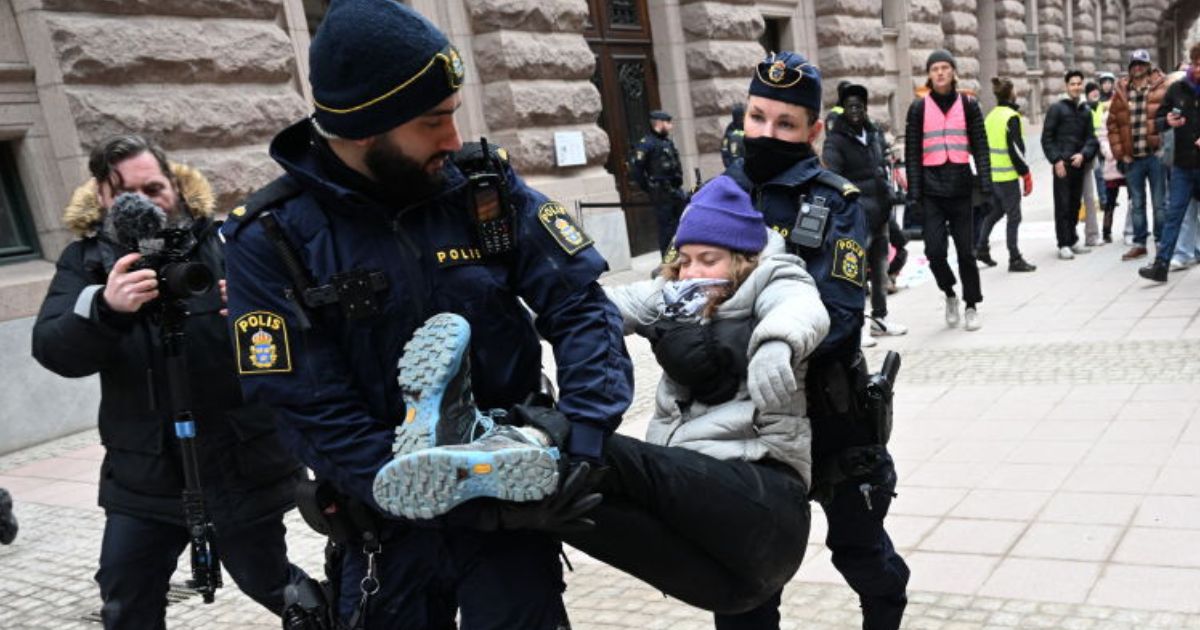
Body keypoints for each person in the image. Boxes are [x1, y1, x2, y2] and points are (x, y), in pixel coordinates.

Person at [219, 1, 634, 627]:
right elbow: (309, 407)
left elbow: (579, 307)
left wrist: (583, 439)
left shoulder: (482, 189)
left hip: (514, 504)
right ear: (365, 126)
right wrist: (447, 495)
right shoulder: (272, 239)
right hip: (389, 525)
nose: (454, 138)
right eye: (431, 121)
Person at [30, 134, 306, 629]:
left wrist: (262, 311)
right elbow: (53, 350)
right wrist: (106, 309)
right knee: (125, 597)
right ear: (102, 197)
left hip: (237, 462)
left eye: (154, 188)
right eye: (126, 193)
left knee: (273, 583)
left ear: (175, 185)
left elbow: (303, 334)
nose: (144, 203)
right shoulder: (87, 262)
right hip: (146, 472)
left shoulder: (227, 241)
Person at [727, 50, 910, 630]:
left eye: (784, 123)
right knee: (744, 577)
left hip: (827, 411)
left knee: (860, 551)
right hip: (742, 414)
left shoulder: (835, 202)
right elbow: (680, 291)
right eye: (757, 117)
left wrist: (741, 337)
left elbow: (840, 312)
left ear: (814, 131)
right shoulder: (718, 196)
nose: (766, 133)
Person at [905, 49, 992, 332]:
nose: (940, 73)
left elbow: (980, 146)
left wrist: (987, 187)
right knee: (934, 252)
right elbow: (913, 154)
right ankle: (950, 294)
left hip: (961, 187)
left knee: (966, 252)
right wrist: (914, 195)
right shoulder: (918, 108)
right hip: (931, 190)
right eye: (934, 69)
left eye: (945, 67)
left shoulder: (969, 105)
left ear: (953, 72)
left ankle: (971, 305)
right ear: (929, 75)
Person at [821, 82, 909, 339]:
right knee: (856, 275)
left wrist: (889, 193)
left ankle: (880, 319)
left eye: (860, 105)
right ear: (843, 109)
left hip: (881, 214)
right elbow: (833, 178)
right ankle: (857, 328)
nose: (856, 110)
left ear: (866, 108)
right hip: (856, 219)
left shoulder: (873, 134)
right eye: (850, 106)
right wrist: (851, 208)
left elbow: (881, 167)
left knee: (880, 271)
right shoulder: (835, 141)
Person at [1139, 42, 1200, 282]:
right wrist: (1168, 122)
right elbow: (1158, 118)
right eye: (1196, 63)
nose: (1198, 69)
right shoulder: (1177, 89)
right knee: (1174, 215)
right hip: (1183, 166)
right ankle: (1161, 265)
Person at [1107, 49, 1170, 261]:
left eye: (1141, 64)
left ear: (1148, 66)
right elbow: (1112, 125)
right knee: (1137, 204)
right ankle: (1140, 243)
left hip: (1155, 156)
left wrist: (1165, 147)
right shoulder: (1121, 92)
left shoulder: (1162, 88)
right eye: (1134, 64)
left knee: (1160, 203)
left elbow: (1171, 118)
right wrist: (1119, 153)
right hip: (1132, 158)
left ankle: (1161, 242)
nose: (1137, 68)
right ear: (1130, 67)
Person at [978, 77, 1037, 272]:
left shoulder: (991, 116)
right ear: (1012, 93)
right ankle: (1014, 258)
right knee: (1014, 216)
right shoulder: (1011, 117)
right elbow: (1016, 150)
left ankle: (982, 248)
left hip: (993, 176)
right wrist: (1025, 173)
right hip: (1007, 177)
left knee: (995, 212)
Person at [1043, 69, 1099, 260]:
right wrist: (1056, 160)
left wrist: (1083, 155)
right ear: (1066, 86)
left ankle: (1073, 239)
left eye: (1078, 83)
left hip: (1078, 164)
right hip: (1062, 166)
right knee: (1063, 205)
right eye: (1072, 84)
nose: (1076, 87)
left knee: (1075, 204)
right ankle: (1063, 243)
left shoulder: (1086, 110)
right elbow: (1047, 138)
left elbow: (1092, 139)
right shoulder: (1057, 109)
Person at [631, 110, 686, 257]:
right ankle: (669, 262)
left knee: (681, 226)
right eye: (668, 123)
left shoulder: (667, 142)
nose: (671, 126)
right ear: (659, 124)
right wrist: (650, 188)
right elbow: (636, 170)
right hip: (662, 194)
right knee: (667, 231)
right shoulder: (647, 144)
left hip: (675, 191)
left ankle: (682, 258)